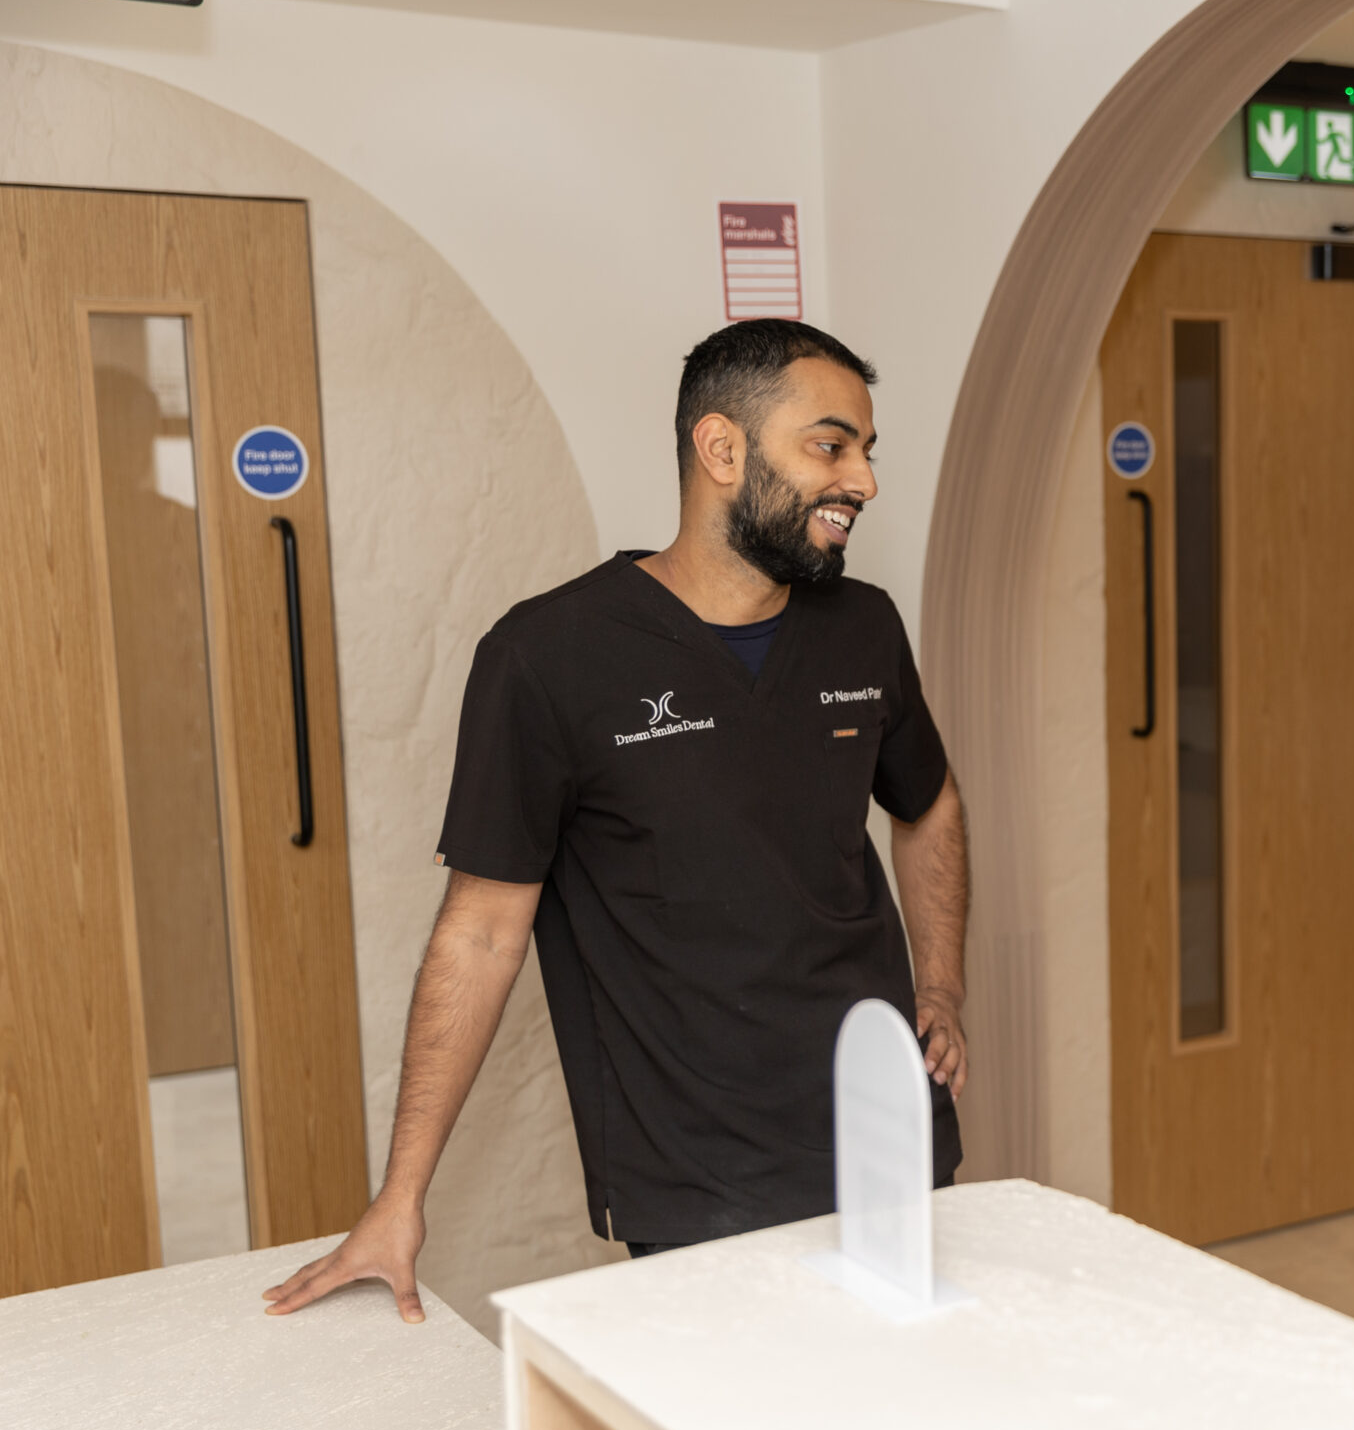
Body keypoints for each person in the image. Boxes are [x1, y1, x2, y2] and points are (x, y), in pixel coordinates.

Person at [266, 319, 969, 1321]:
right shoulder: (549, 657)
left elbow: (929, 801)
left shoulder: (864, 628)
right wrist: (400, 1196)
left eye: (864, 450)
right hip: (696, 1169)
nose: (861, 479)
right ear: (721, 449)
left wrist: (940, 982)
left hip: (887, 1131)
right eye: (830, 445)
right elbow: (481, 929)